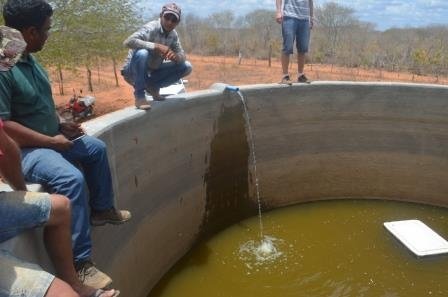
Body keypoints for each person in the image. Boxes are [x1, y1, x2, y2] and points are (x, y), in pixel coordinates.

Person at [0, 0, 131, 289]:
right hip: (26, 150)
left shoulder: (28, 58)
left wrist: (60, 125)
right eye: (46, 30)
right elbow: (5, 126)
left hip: (50, 138)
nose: (49, 34)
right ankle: (80, 263)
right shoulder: (4, 66)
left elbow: (36, 106)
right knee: (71, 179)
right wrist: (50, 141)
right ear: (31, 32)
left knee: (95, 150)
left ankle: (100, 209)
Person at [121, 2, 193, 110]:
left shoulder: (173, 35)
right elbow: (128, 42)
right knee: (142, 53)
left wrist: (176, 57)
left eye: (174, 20)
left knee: (186, 66)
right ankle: (139, 96)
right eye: (167, 17)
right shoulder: (151, 27)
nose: (169, 22)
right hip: (132, 70)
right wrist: (155, 46)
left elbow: (182, 54)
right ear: (161, 16)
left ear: (177, 22)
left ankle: (153, 86)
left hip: (151, 70)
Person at [276, 0, 314, 84]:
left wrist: (311, 17)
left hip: (304, 18)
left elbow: (310, 2)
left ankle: (300, 75)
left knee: (303, 48)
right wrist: (278, 11)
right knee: (287, 47)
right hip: (289, 16)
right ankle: (285, 76)